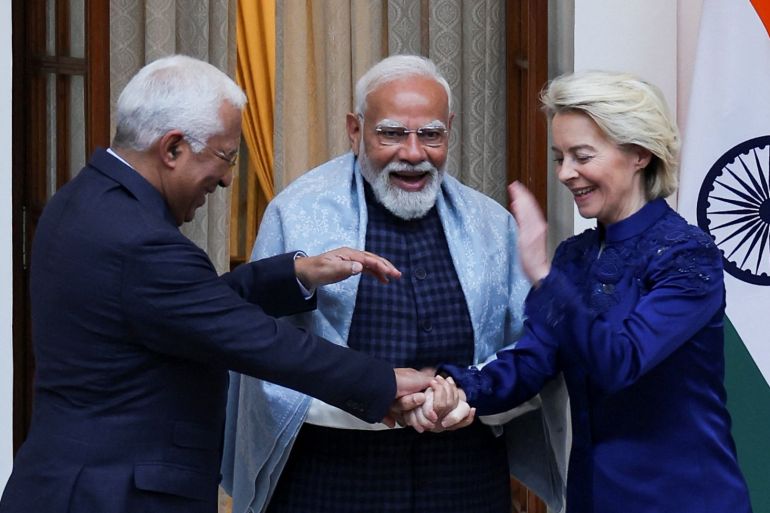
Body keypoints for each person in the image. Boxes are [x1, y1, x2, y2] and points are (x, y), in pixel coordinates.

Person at [0, 55, 439, 513]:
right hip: (114, 495)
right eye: (225, 156)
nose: (228, 178)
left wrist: (295, 274)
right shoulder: (142, 242)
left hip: (68, 481)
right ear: (173, 149)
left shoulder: (82, 199)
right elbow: (256, 341)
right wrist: (383, 382)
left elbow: (181, 309)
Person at [222, 55, 568, 513]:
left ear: (450, 130)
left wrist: (464, 397)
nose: (413, 153)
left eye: (431, 135)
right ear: (355, 130)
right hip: (331, 478)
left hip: (464, 477)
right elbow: (260, 351)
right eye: (391, 133)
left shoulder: (490, 222)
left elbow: (528, 346)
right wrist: (374, 397)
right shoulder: (297, 213)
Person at [437, 70, 753, 513]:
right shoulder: (575, 256)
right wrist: (454, 388)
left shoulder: (689, 256)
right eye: (559, 157)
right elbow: (532, 361)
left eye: (582, 156)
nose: (566, 173)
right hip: (592, 495)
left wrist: (543, 276)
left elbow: (621, 362)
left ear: (639, 153)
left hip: (684, 498)